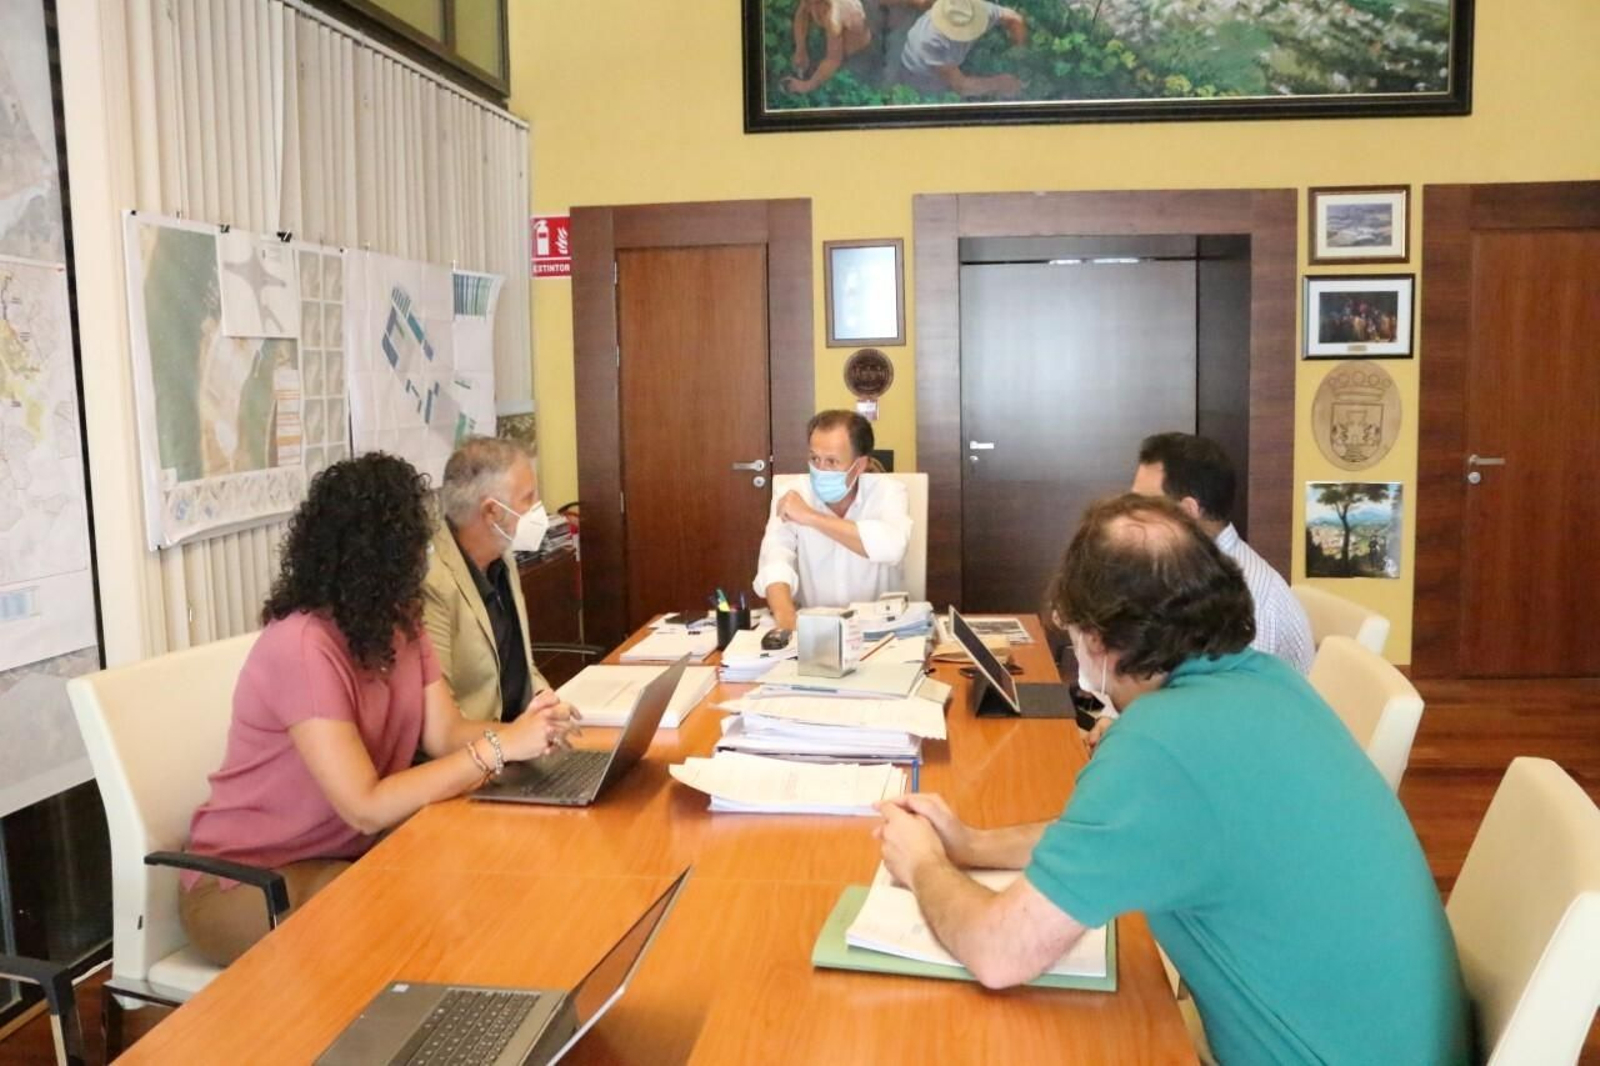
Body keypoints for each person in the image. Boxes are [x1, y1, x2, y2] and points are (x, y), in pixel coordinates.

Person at [874, 494, 1471, 1065]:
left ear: (1098, 640)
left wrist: (923, 864)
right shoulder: (1265, 682)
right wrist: (972, 844)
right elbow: (1116, 832)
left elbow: (999, 954)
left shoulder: (1160, 743)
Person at [178, 453, 581, 966]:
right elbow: (364, 806)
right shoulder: (302, 646)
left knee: (466, 886)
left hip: (344, 854)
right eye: (415, 546)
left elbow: (444, 733)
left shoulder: (400, 621)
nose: (425, 558)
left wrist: (526, 732)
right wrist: (497, 749)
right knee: (401, 924)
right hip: (246, 880)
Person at [1132, 431, 1314, 675]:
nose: (1131, 516)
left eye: (1143, 505)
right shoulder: (1190, 570)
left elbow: (1235, 693)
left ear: (1186, 511)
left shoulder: (1248, 598)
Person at [424, 436, 550, 724]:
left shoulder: (502, 557)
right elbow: (443, 722)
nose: (538, 508)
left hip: (522, 736)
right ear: (492, 511)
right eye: (528, 498)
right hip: (480, 745)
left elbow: (520, 666)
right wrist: (516, 737)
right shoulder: (433, 582)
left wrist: (547, 702)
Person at [753, 409, 912, 632]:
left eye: (832, 461)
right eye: (814, 459)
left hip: (880, 629)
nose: (820, 470)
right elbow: (775, 560)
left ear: (859, 465)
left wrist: (810, 516)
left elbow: (893, 547)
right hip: (813, 627)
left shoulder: (890, 492)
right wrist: (788, 621)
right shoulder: (791, 494)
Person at [898, 0, 1027, 99]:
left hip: (948, 62)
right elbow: (961, 87)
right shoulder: (931, 42)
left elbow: (1014, 19)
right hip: (920, 76)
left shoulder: (975, 10)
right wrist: (999, 84)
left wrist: (1019, 49)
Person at [783, 0, 873, 94]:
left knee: (838, 88)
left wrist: (806, 86)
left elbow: (833, 60)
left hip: (858, 55)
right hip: (833, 39)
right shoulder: (810, 2)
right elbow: (802, 13)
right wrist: (800, 49)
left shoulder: (833, 16)